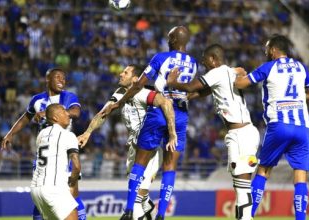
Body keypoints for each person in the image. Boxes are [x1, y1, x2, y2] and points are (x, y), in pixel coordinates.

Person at [102, 26, 197, 220]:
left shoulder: (161, 57)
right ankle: (161, 215)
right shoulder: (193, 63)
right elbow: (191, 90)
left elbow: (138, 85)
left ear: (171, 39)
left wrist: (119, 102)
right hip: (181, 113)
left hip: (160, 111)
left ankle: (129, 209)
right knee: (170, 166)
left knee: (141, 160)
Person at [167, 44, 260, 220]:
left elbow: (192, 86)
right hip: (243, 133)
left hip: (241, 134)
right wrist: (188, 97)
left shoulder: (217, 73)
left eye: (204, 60)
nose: (203, 63)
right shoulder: (226, 73)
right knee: (241, 184)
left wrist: (172, 82)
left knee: (242, 185)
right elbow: (203, 91)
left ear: (213, 59)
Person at [234, 34, 309, 220]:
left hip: (279, 125)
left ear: (273, 50)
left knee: (263, 170)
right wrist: (295, 100)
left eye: (267, 49)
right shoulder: (300, 67)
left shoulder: (269, 67)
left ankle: (249, 216)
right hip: (302, 127)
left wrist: (234, 73)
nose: (265, 52)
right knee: (301, 175)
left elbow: (241, 83)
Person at [77, 64, 177, 219]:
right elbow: (103, 113)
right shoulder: (118, 94)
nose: (120, 74)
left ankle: (138, 210)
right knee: (138, 193)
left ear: (135, 78)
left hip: (149, 147)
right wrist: (87, 133)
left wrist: (172, 133)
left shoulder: (144, 93)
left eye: (126, 72)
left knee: (137, 195)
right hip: (133, 147)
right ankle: (148, 206)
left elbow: (165, 103)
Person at [0, 68, 86, 220]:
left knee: (72, 192)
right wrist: (11, 133)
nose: (62, 80)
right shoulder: (37, 100)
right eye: (58, 77)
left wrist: (47, 113)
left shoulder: (68, 96)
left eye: (64, 78)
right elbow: (25, 118)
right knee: (43, 193)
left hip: (64, 151)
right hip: (45, 150)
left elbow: (76, 112)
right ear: (48, 79)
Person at [30, 103, 80, 220]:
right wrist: (72, 184)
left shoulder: (41, 135)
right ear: (55, 118)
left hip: (36, 190)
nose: (68, 113)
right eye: (63, 111)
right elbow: (76, 166)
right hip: (54, 188)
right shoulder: (68, 135)